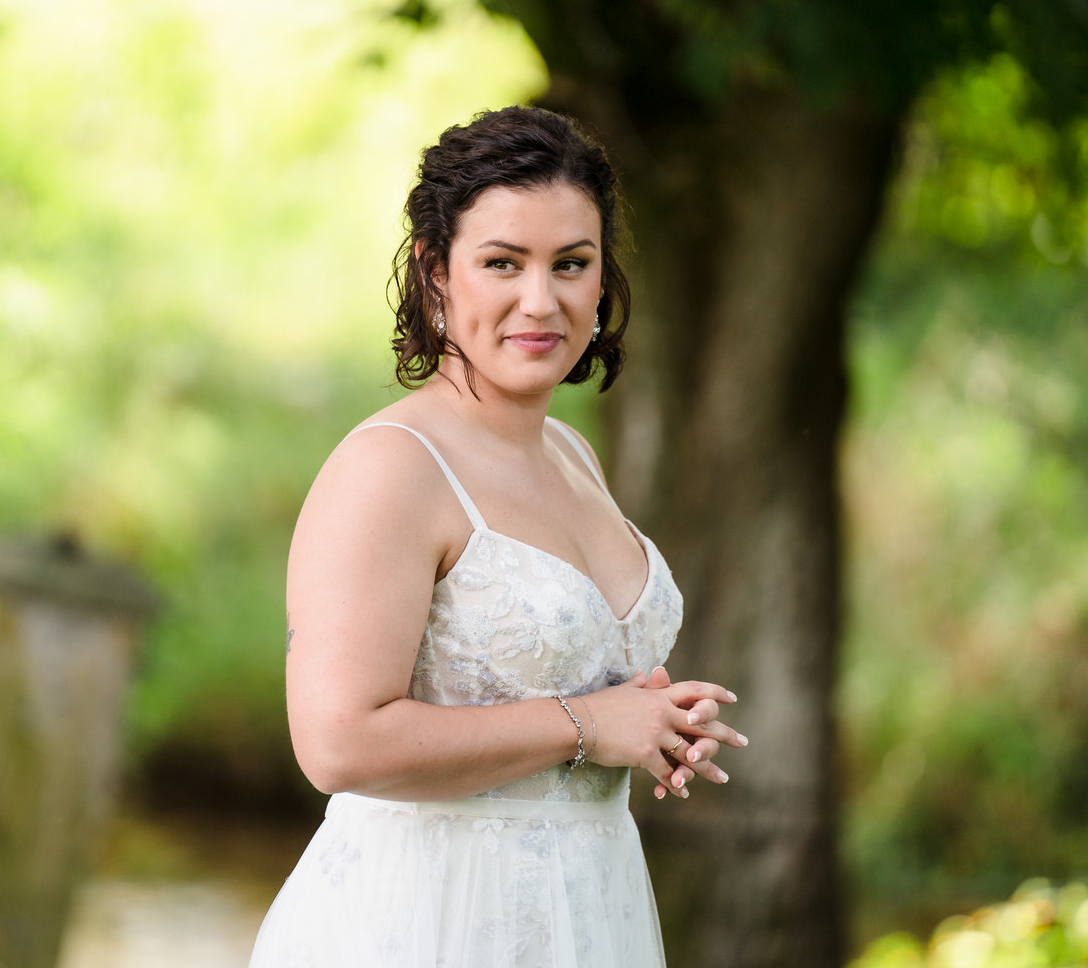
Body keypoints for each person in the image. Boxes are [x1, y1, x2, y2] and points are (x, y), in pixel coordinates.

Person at [248, 105, 747, 967]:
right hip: (429, 917)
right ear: (437, 274)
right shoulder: (392, 468)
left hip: (588, 910)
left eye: (571, 264)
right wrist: (587, 721)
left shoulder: (572, 452)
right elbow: (337, 742)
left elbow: (561, 699)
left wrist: (648, 717)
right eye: (503, 263)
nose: (540, 300)